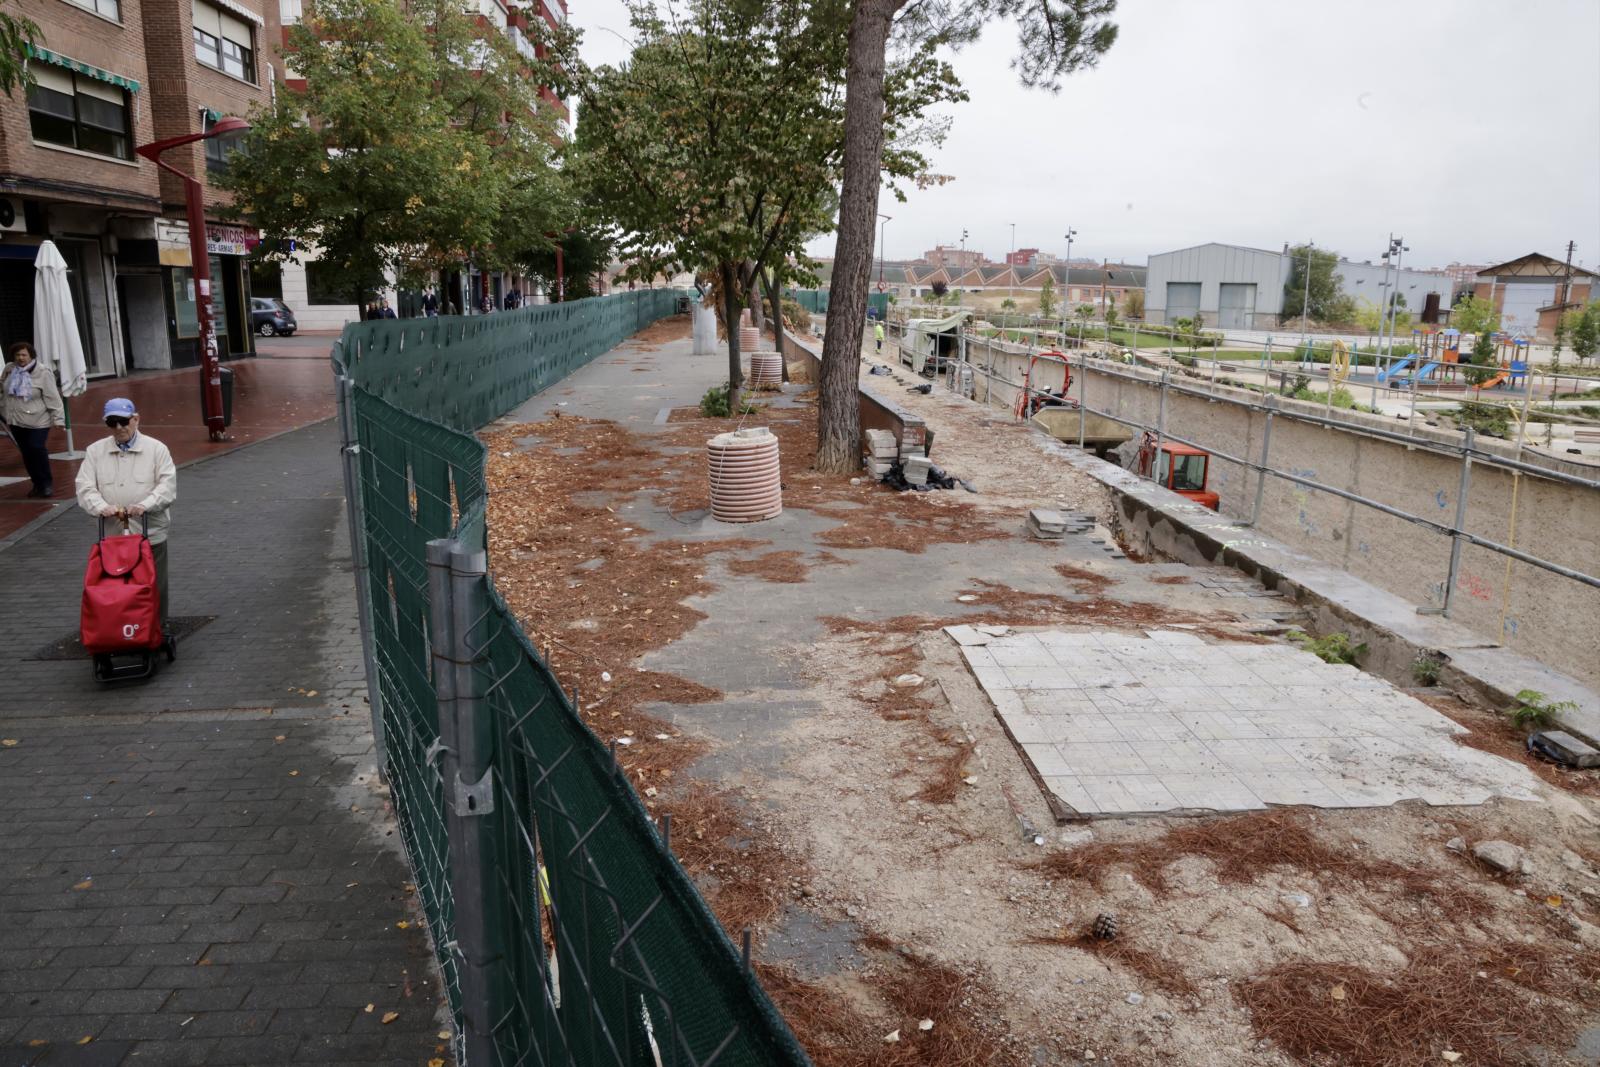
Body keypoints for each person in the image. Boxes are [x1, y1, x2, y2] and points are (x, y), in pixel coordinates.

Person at [76, 398, 177, 627]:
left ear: (136, 419)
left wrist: (146, 504)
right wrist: (101, 507)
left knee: (153, 583)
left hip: (149, 532)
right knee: (115, 586)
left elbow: (167, 486)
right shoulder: (95, 451)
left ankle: (156, 628)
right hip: (112, 537)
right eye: (113, 423)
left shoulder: (156, 449)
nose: (119, 428)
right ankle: (121, 628)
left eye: (124, 421)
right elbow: (85, 487)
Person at [1, 341, 65, 498]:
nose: (21, 358)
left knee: (36, 448)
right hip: (15, 419)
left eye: (24, 355)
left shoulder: (43, 372)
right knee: (26, 453)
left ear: (31, 355)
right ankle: (37, 484)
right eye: (18, 355)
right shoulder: (9, 369)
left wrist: (58, 419)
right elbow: (2, 388)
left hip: (38, 419)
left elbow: (53, 397)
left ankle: (46, 483)